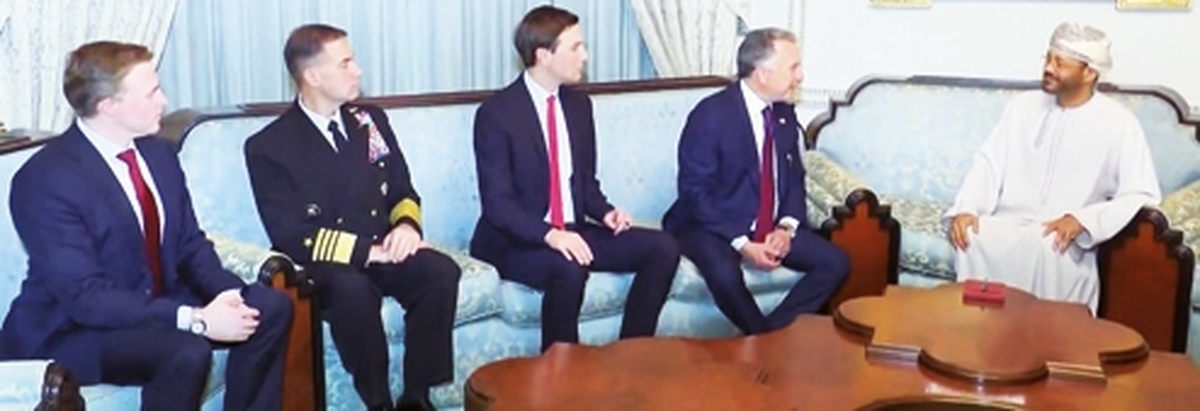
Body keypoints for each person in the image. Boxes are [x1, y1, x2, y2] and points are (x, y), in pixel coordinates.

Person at [0, 41, 292, 410]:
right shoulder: (46, 179)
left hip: (151, 305)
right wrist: (195, 319)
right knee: (185, 350)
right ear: (109, 105)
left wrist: (227, 296)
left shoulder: (158, 154)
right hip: (75, 329)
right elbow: (86, 297)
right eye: (151, 93)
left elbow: (189, 244)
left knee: (268, 307)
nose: (163, 102)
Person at [245, 24, 460, 411]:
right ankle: (378, 401)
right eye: (345, 64)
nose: (357, 71)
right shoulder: (269, 146)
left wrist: (406, 227)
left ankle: (417, 395)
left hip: (383, 245)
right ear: (313, 76)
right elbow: (290, 233)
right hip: (327, 262)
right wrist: (367, 252)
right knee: (353, 293)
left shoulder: (369, 120)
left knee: (439, 272)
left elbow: (402, 190)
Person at [470, 5, 679, 352]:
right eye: (576, 47)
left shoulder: (579, 106)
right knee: (568, 267)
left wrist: (607, 213)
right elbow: (498, 206)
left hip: (572, 230)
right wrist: (551, 236)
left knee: (663, 248)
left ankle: (631, 354)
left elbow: (585, 185)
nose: (585, 56)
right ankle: (561, 370)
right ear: (543, 55)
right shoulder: (497, 114)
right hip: (515, 240)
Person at [945, 22, 1161, 312]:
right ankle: (980, 334)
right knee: (972, 236)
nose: (1048, 68)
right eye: (1047, 59)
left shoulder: (1118, 123)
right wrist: (968, 208)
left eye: (1060, 63)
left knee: (1048, 248)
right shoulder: (1022, 107)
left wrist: (1083, 220)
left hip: (1061, 234)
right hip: (1006, 224)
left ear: (1089, 72)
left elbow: (1140, 192)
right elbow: (989, 163)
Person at [662, 28, 849, 335]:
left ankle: (770, 335)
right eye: (793, 67)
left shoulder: (783, 113)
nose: (800, 76)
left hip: (768, 224)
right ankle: (764, 340)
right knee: (724, 274)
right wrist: (743, 243)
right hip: (709, 224)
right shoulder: (711, 115)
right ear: (763, 73)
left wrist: (786, 228)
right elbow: (695, 193)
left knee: (835, 262)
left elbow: (794, 179)